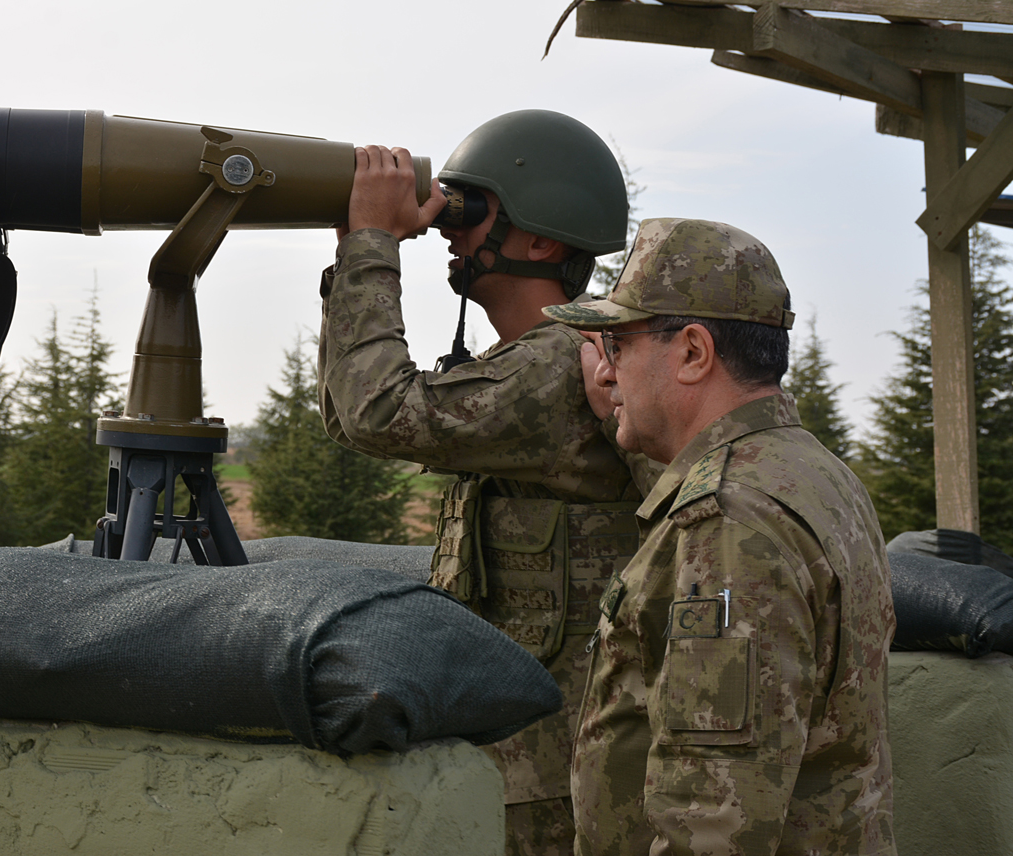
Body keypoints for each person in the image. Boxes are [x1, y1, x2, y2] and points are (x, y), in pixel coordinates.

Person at [317, 110, 660, 856]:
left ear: (541, 239)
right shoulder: (528, 363)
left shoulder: (556, 365)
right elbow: (354, 416)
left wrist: (375, 247)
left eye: (475, 208)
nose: (450, 225)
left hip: (557, 773)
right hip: (533, 757)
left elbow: (377, 412)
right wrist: (354, 256)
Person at [543, 218, 896, 855]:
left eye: (616, 345)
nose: (602, 374)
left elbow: (712, 823)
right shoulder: (813, 472)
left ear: (693, 353)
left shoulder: (729, 520)